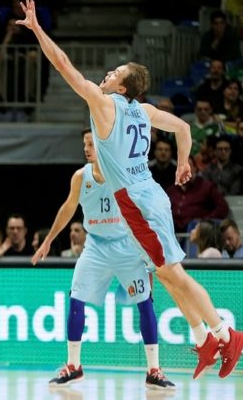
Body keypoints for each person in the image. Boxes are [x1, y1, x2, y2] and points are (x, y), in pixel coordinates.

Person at [18, 0, 243, 380]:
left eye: (114, 73)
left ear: (122, 87)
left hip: (138, 203)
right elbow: (184, 128)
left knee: (175, 275)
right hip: (148, 196)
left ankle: (226, 335)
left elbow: (63, 64)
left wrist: (38, 29)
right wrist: (183, 162)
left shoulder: (104, 105)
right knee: (169, 276)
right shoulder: (144, 111)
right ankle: (205, 340)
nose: (107, 75)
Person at [33, 129, 175, 389]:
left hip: (127, 246)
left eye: (91, 144)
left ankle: (154, 370)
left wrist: (150, 249)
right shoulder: (80, 176)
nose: (86, 148)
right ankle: (73, 366)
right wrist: (48, 239)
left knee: (145, 302)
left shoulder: (122, 173)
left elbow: (146, 208)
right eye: (84, 144)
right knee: (76, 299)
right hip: (95, 246)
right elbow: (68, 208)